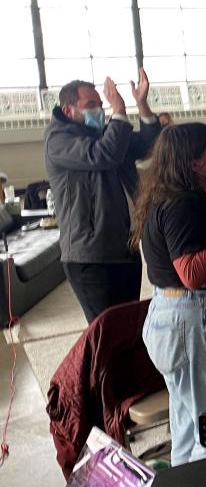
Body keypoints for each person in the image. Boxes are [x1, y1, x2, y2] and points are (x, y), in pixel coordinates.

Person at [132, 123, 206, 465]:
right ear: (193, 161)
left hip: (171, 318)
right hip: (192, 322)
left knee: (189, 427)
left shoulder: (165, 195)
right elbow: (193, 273)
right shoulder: (182, 204)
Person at [44, 70, 160, 323]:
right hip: (91, 256)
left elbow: (149, 144)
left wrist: (142, 104)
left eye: (100, 104)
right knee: (106, 333)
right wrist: (119, 110)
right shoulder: (58, 141)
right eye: (91, 105)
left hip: (125, 247)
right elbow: (103, 154)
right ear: (68, 110)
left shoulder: (105, 134)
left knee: (129, 327)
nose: (99, 109)